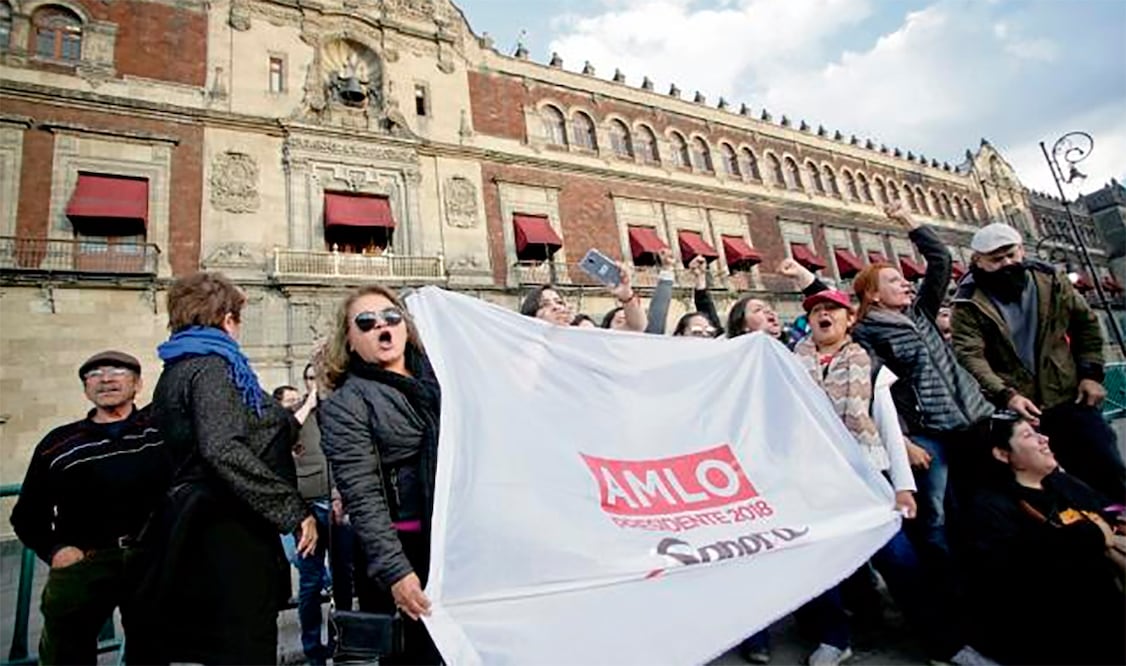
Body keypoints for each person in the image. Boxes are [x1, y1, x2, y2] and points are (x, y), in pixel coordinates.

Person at [130, 271, 317, 664]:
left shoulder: (180, 365)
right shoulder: (212, 368)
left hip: (208, 528)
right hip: (226, 533)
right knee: (243, 646)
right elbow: (221, 447)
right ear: (227, 318)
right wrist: (292, 510)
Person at [848, 202, 994, 561]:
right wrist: (904, 441)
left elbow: (941, 261)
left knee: (987, 499)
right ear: (873, 294)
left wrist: (908, 222)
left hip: (973, 420)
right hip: (929, 431)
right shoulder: (865, 334)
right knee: (936, 515)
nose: (905, 284)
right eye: (894, 281)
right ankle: (950, 584)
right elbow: (875, 393)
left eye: (904, 278)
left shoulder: (923, 314)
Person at [10, 351, 170, 665]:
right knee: (65, 652)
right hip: (85, 563)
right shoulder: (59, 444)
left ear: (137, 384)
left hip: (150, 561)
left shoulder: (161, 433)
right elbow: (27, 515)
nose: (106, 379)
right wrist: (56, 550)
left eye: (117, 371)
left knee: (152, 649)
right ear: (85, 389)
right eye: (94, 374)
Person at [951, 222, 1124, 502]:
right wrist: (1006, 394)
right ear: (978, 261)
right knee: (1053, 482)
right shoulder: (967, 301)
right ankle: (1088, 533)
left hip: (1069, 393)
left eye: (1012, 254)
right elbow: (970, 355)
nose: (1007, 263)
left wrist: (1091, 373)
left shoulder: (1050, 279)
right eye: (996, 260)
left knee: (1106, 465)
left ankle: (1120, 522)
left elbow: (1086, 324)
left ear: (1021, 249)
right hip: (1023, 408)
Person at [319, 285, 442, 664]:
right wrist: (396, 573)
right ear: (350, 341)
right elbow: (362, 495)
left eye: (391, 317)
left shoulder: (445, 379)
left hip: (458, 542)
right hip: (406, 553)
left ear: (406, 327)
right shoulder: (347, 403)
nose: (382, 327)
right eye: (366, 322)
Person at [962, 412, 1125, 665]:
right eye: (1029, 435)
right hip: (1057, 629)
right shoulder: (989, 509)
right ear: (1003, 455)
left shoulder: (1058, 482)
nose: (1044, 439)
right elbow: (1019, 573)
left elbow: (1109, 508)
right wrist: (1089, 536)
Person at [277, 362, 334, 665]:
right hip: (308, 507)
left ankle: (342, 643)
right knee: (310, 584)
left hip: (339, 505)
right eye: (311, 379)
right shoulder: (295, 413)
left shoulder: (342, 407)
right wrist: (308, 403)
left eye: (321, 378)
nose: (316, 383)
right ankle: (313, 650)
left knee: (344, 582)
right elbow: (280, 440)